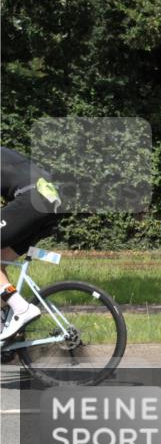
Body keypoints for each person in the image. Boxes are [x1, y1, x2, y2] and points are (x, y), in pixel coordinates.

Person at [1, 146, 62, 341]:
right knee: (1, 262)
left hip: (32, 200)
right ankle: (7, 329)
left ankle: (21, 308)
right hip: (51, 200)